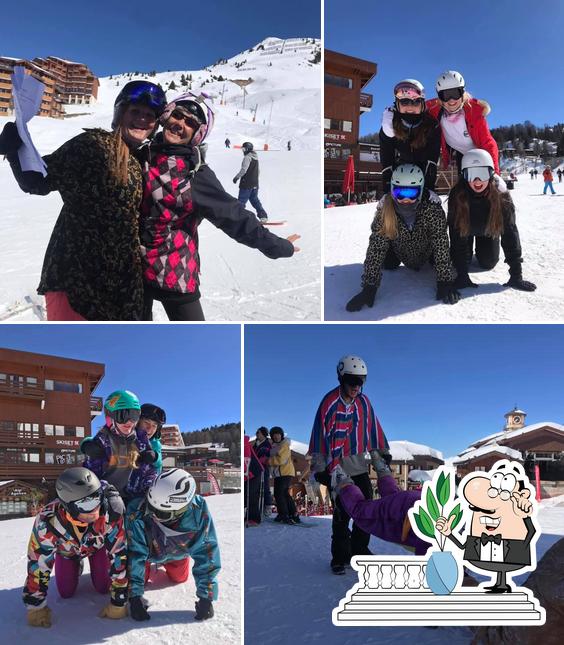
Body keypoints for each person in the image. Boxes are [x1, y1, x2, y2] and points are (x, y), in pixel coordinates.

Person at [0, 80, 167, 320]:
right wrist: (15, 148)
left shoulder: (142, 161)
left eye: (149, 115)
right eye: (135, 111)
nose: (142, 119)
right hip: (76, 283)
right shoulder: (93, 146)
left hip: (122, 290)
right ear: (120, 113)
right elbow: (38, 181)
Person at [136, 94, 300, 320]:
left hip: (174, 273)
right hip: (134, 272)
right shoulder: (142, 155)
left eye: (190, 123)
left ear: (198, 134)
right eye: (177, 115)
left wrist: (277, 246)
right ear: (166, 115)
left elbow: (233, 216)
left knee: (194, 340)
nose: (180, 124)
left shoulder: (195, 174)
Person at [308, 355, 391, 575]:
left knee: (367, 511)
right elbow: (319, 435)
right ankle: (340, 557)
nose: (356, 386)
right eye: (351, 381)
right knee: (341, 515)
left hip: (360, 467)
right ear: (341, 378)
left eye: (360, 381)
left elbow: (373, 430)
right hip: (337, 469)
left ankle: (359, 550)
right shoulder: (329, 403)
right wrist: (320, 469)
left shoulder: (364, 403)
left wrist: (382, 454)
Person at [346, 164, 460, 312]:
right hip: (398, 251)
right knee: (388, 262)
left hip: (427, 252)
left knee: (435, 259)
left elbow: (441, 242)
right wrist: (369, 287)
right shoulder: (386, 210)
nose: (405, 199)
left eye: (411, 193)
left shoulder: (432, 209)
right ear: (393, 191)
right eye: (400, 192)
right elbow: (376, 246)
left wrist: (445, 281)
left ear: (420, 191)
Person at [23, 467, 128, 627]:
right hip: (67, 552)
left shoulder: (109, 514)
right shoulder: (48, 522)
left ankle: (95, 565)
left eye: (97, 498)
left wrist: (119, 602)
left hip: (97, 548)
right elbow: (39, 563)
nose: (95, 510)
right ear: (69, 506)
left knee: (102, 586)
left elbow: (119, 555)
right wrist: (35, 606)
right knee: (65, 592)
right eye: (86, 504)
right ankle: (75, 564)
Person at [125, 468, 220, 621]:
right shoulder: (137, 511)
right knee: (140, 579)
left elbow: (206, 549)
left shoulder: (198, 510)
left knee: (179, 578)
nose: (154, 514)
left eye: (162, 513)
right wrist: (134, 597)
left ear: (183, 508)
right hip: (148, 555)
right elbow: (135, 553)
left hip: (178, 553)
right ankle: (153, 567)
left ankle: (171, 562)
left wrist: (206, 597)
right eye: (152, 507)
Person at [448, 149, 536, 292]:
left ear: (490, 174)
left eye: (482, 174)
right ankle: (468, 253)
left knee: (488, 262)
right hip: (465, 232)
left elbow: (510, 232)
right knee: (464, 262)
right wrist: (462, 274)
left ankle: (482, 248)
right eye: (470, 174)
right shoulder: (457, 195)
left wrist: (516, 274)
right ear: (464, 175)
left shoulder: (501, 195)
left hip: (487, 231)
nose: (477, 181)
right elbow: (455, 234)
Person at [81, 390, 158, 503]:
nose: (129, 422)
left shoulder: (141, 438)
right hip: (108, 499)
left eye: (134, 416)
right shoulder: (102, 442)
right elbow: (91, 478)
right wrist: (107, 496)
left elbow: (149, 471)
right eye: (122, 416)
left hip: (136, 498)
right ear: (110, 418)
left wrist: (151, 488)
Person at [426, 71, 501, 179]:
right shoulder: (436, 111)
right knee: (464, 185)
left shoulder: (473, 112)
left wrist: (494, 173)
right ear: (440, 98)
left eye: (455, 93)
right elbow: (419, 106)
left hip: (480, 154)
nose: (451, 100)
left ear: (462, 93)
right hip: (461, 154)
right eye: (446, 95)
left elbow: (488, 142)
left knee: (483, 184)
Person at [379, 79, 441, 195]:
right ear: (397, 104)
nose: (410, 107)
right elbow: (386, 158)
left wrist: (429, 189)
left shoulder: (431, 126)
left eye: (416, 102)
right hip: (400, 177)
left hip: (423, 176)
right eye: (405, 102)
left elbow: (432, 160)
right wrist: (387, 189)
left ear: (422, 104)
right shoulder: (390, 125)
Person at [269, 426, 299, 524]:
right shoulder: (276, 446)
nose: (276, 436)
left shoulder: (284, 445)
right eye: (274, 435)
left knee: (279, 494)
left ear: (281, 435)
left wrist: (268, 461)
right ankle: (292, 513)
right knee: (284, 494)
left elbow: (281, 460)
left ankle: (284, 514)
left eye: (278, 434)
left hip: (285, 473)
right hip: (280, 474)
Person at [233, 141, 269, 222]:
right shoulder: (255, 157)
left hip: (246, 184)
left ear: (247, 149)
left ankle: (238, 219)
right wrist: (254, 180)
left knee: (241, 202)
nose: (243, 150)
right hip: (255, 184)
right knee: (255, 200)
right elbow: (258, 171)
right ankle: (263, 216)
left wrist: (236, 177)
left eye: (244, 149)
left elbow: (244, 170)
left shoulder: (247, 157)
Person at [137, 403, 166, 474]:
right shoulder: (127, 437)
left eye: (154, 426)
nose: (149, 428)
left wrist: (155, 458)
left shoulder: (155, 444)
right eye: (146, 423)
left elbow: (159, 469)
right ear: (137, 422)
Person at [244, 435, 264, 527]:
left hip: (254, 471)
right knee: (246, 495)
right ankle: (247, 516)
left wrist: (245, 474)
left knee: (251, 495)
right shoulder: (244, 442)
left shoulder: (244, 443)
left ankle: (254, 519)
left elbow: (246, 460)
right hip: (250, 471)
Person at [254, 426, 273, 517]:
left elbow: (268, 455)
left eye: (258, 432)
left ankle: (268, 507)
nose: (256, 434)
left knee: (265, 486)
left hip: (264, 468)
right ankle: (259, 507)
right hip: (255, 468)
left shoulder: (267, 444)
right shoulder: (256, 444)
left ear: (263, 434)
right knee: (256, 487)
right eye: (256, 433)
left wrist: (264, 459)